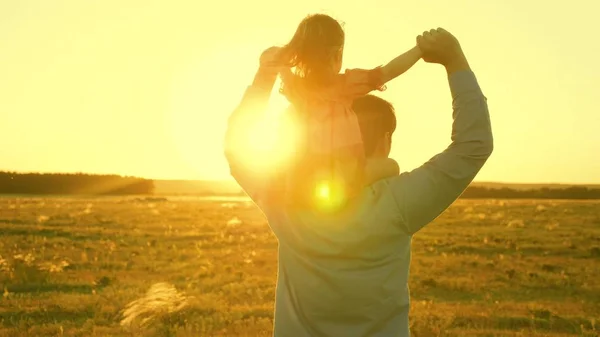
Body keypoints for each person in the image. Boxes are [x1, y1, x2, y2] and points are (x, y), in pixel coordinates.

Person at [224, 27, 493, 337]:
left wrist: (265, 76)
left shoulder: (285, 199)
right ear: (386, 140)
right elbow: (473, 145)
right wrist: (454, 60)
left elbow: (236, 147)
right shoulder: (398, 203)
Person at [259, 14, 422, 209]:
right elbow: (389, 71)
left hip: (303, 180)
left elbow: (269, 57)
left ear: (301, 56)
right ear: (337, 55)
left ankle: (305, 198)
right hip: (348, 177)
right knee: (391, 166)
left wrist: (287, 51)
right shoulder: (346, 85)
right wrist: (419, 50)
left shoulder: (297, 88)